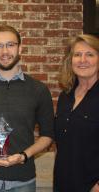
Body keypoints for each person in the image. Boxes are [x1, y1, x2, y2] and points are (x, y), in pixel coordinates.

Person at [0, 25, 54, 192]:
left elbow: (48, 136)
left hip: (23, 180)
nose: (5, 51)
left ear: (20, 48)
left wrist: (24, 156)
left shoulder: (39, 90)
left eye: (10, 45)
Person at [53, 34, 99, 192]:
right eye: (77, 55)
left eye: (90, 54)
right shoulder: (65, 96)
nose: (82, 60)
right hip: (63, 183)